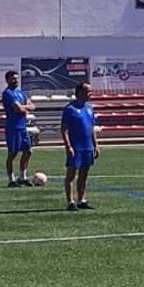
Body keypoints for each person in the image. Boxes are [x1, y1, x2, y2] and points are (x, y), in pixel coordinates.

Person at [61, 82, 99, 211]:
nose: (90, 94)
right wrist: (68, 146)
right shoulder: (69, 109)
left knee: (84, 174)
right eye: (88, 91)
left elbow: (92, 128)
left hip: (87, 147)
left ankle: (82, 199)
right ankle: (70, 201)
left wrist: (96, 145)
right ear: (80, 92)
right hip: (76, 147)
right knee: (71, 175)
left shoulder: (89, 108)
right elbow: (64, 129)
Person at [2, 71, 35, 188]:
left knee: (28, 151)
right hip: (13, 127)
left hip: (23, 126)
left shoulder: (21, 92)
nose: (15, 81)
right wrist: (25, 107)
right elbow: (19, 109)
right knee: (12, 153)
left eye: (16, 78)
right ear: (7, 80)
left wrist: (24, 107)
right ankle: (11, 180)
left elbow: (33, 106)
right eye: (13, 79)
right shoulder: (8, 93)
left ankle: (22, 177)